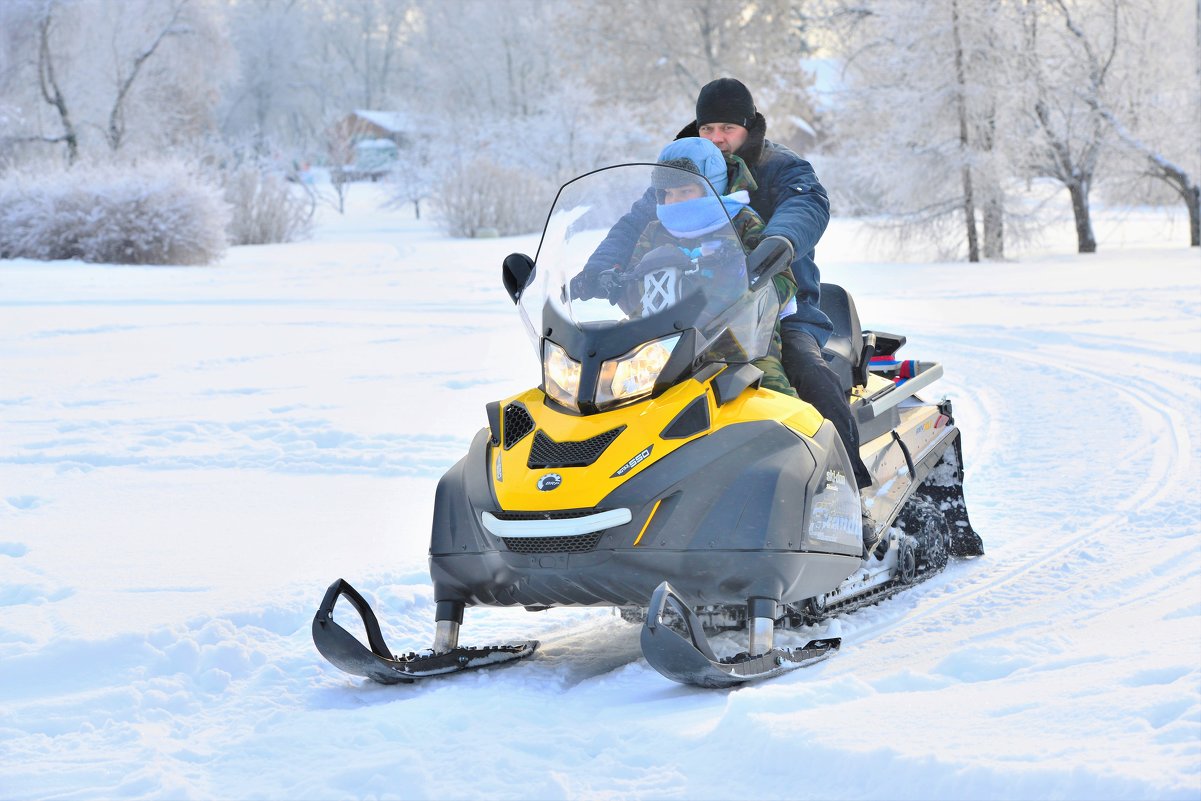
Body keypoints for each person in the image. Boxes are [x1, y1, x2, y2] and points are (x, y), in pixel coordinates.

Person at [577, 78, 875, 503]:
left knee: (806, 372)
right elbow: (635, 224)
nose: (718, 139)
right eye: (708, 129)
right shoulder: (681, 174)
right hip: (679, 313)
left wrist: (780, 242)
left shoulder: (781, 167)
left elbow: (806, 204)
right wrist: (600, 270)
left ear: (749, 128)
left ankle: (846, 493)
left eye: (728, 130)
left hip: (773, 307)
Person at [614, 137, 798, 396]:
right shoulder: (655, 230)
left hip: (739, 346)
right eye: (668, 193)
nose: (674, 201)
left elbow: (783, 282)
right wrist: (617, 282)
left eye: (685, 191)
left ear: (710, 188)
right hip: (660, 348)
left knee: (772, 397)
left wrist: (736, 270)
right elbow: (633, 295)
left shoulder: (743, 222)